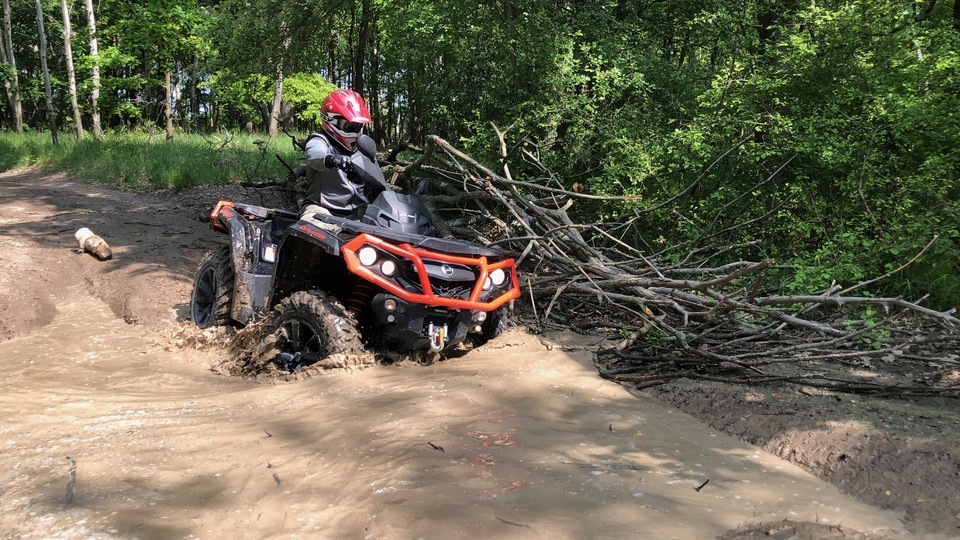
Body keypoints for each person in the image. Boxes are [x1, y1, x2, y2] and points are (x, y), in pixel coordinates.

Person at [300, 88, 387, 230]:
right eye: (349, 125)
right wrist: (333, 160)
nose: (354, 130)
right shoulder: (320, 141)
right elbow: (314, 155)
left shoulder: (363, 147)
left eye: (357, 126)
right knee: (314, 231)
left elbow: (378, 181)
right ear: (330, 119)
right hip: (322, 211)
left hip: (359, 214)